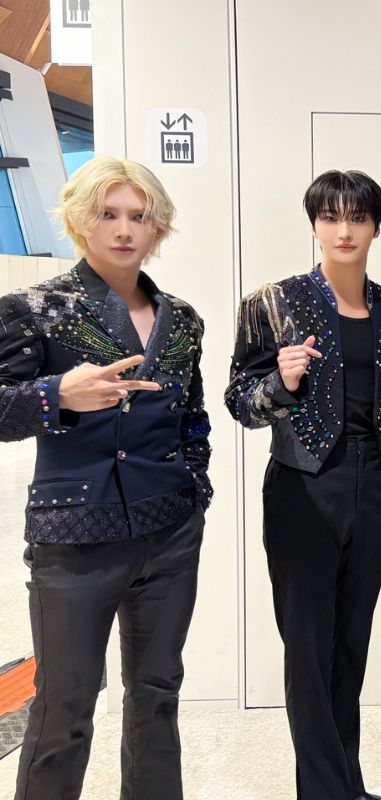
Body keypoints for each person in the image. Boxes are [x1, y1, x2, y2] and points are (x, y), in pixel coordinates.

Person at [1, 156, 211, 800]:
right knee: (63, 708)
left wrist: (195, 490)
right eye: (107, 214)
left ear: (157, 227)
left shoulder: (182, 318)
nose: (124, 229)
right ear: (79, 220)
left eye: (138, 216)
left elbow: (193, 417)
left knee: (157, 695)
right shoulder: (35, 308)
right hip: (75, 535)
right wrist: (55, 394)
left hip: (169, 531)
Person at [226, 169, 381, 800]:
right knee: (308, 650)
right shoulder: (272, 303)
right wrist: (280, 384)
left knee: (351, 644)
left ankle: (347, 784)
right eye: (331, 217)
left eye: (357, 218)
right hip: (301, 485)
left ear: (375, 228)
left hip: (371, 482)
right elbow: (239, 403)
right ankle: (323, 791)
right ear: (314, 224)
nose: (344, 230)